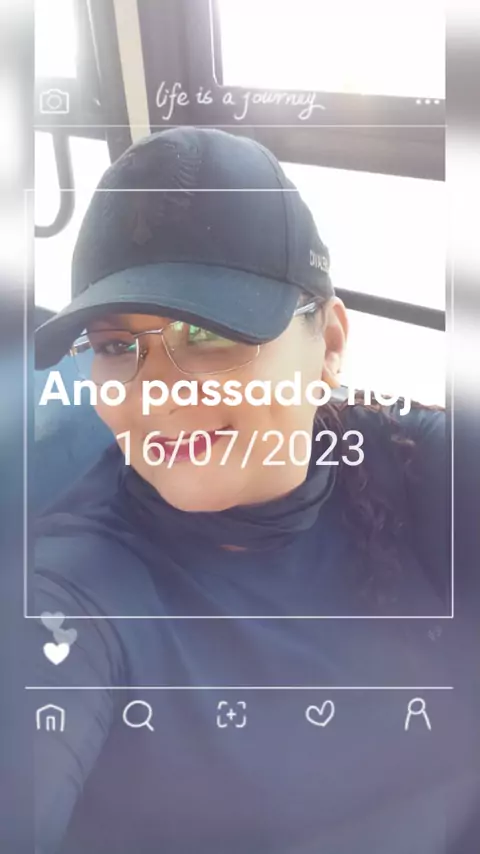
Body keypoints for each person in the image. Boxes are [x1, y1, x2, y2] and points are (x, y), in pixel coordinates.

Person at [33, 128, 477, 854]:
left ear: (329, 344)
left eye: (207, 334)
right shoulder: (72, 593)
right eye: (117, 346)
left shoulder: (421, 466)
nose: (155, 395)